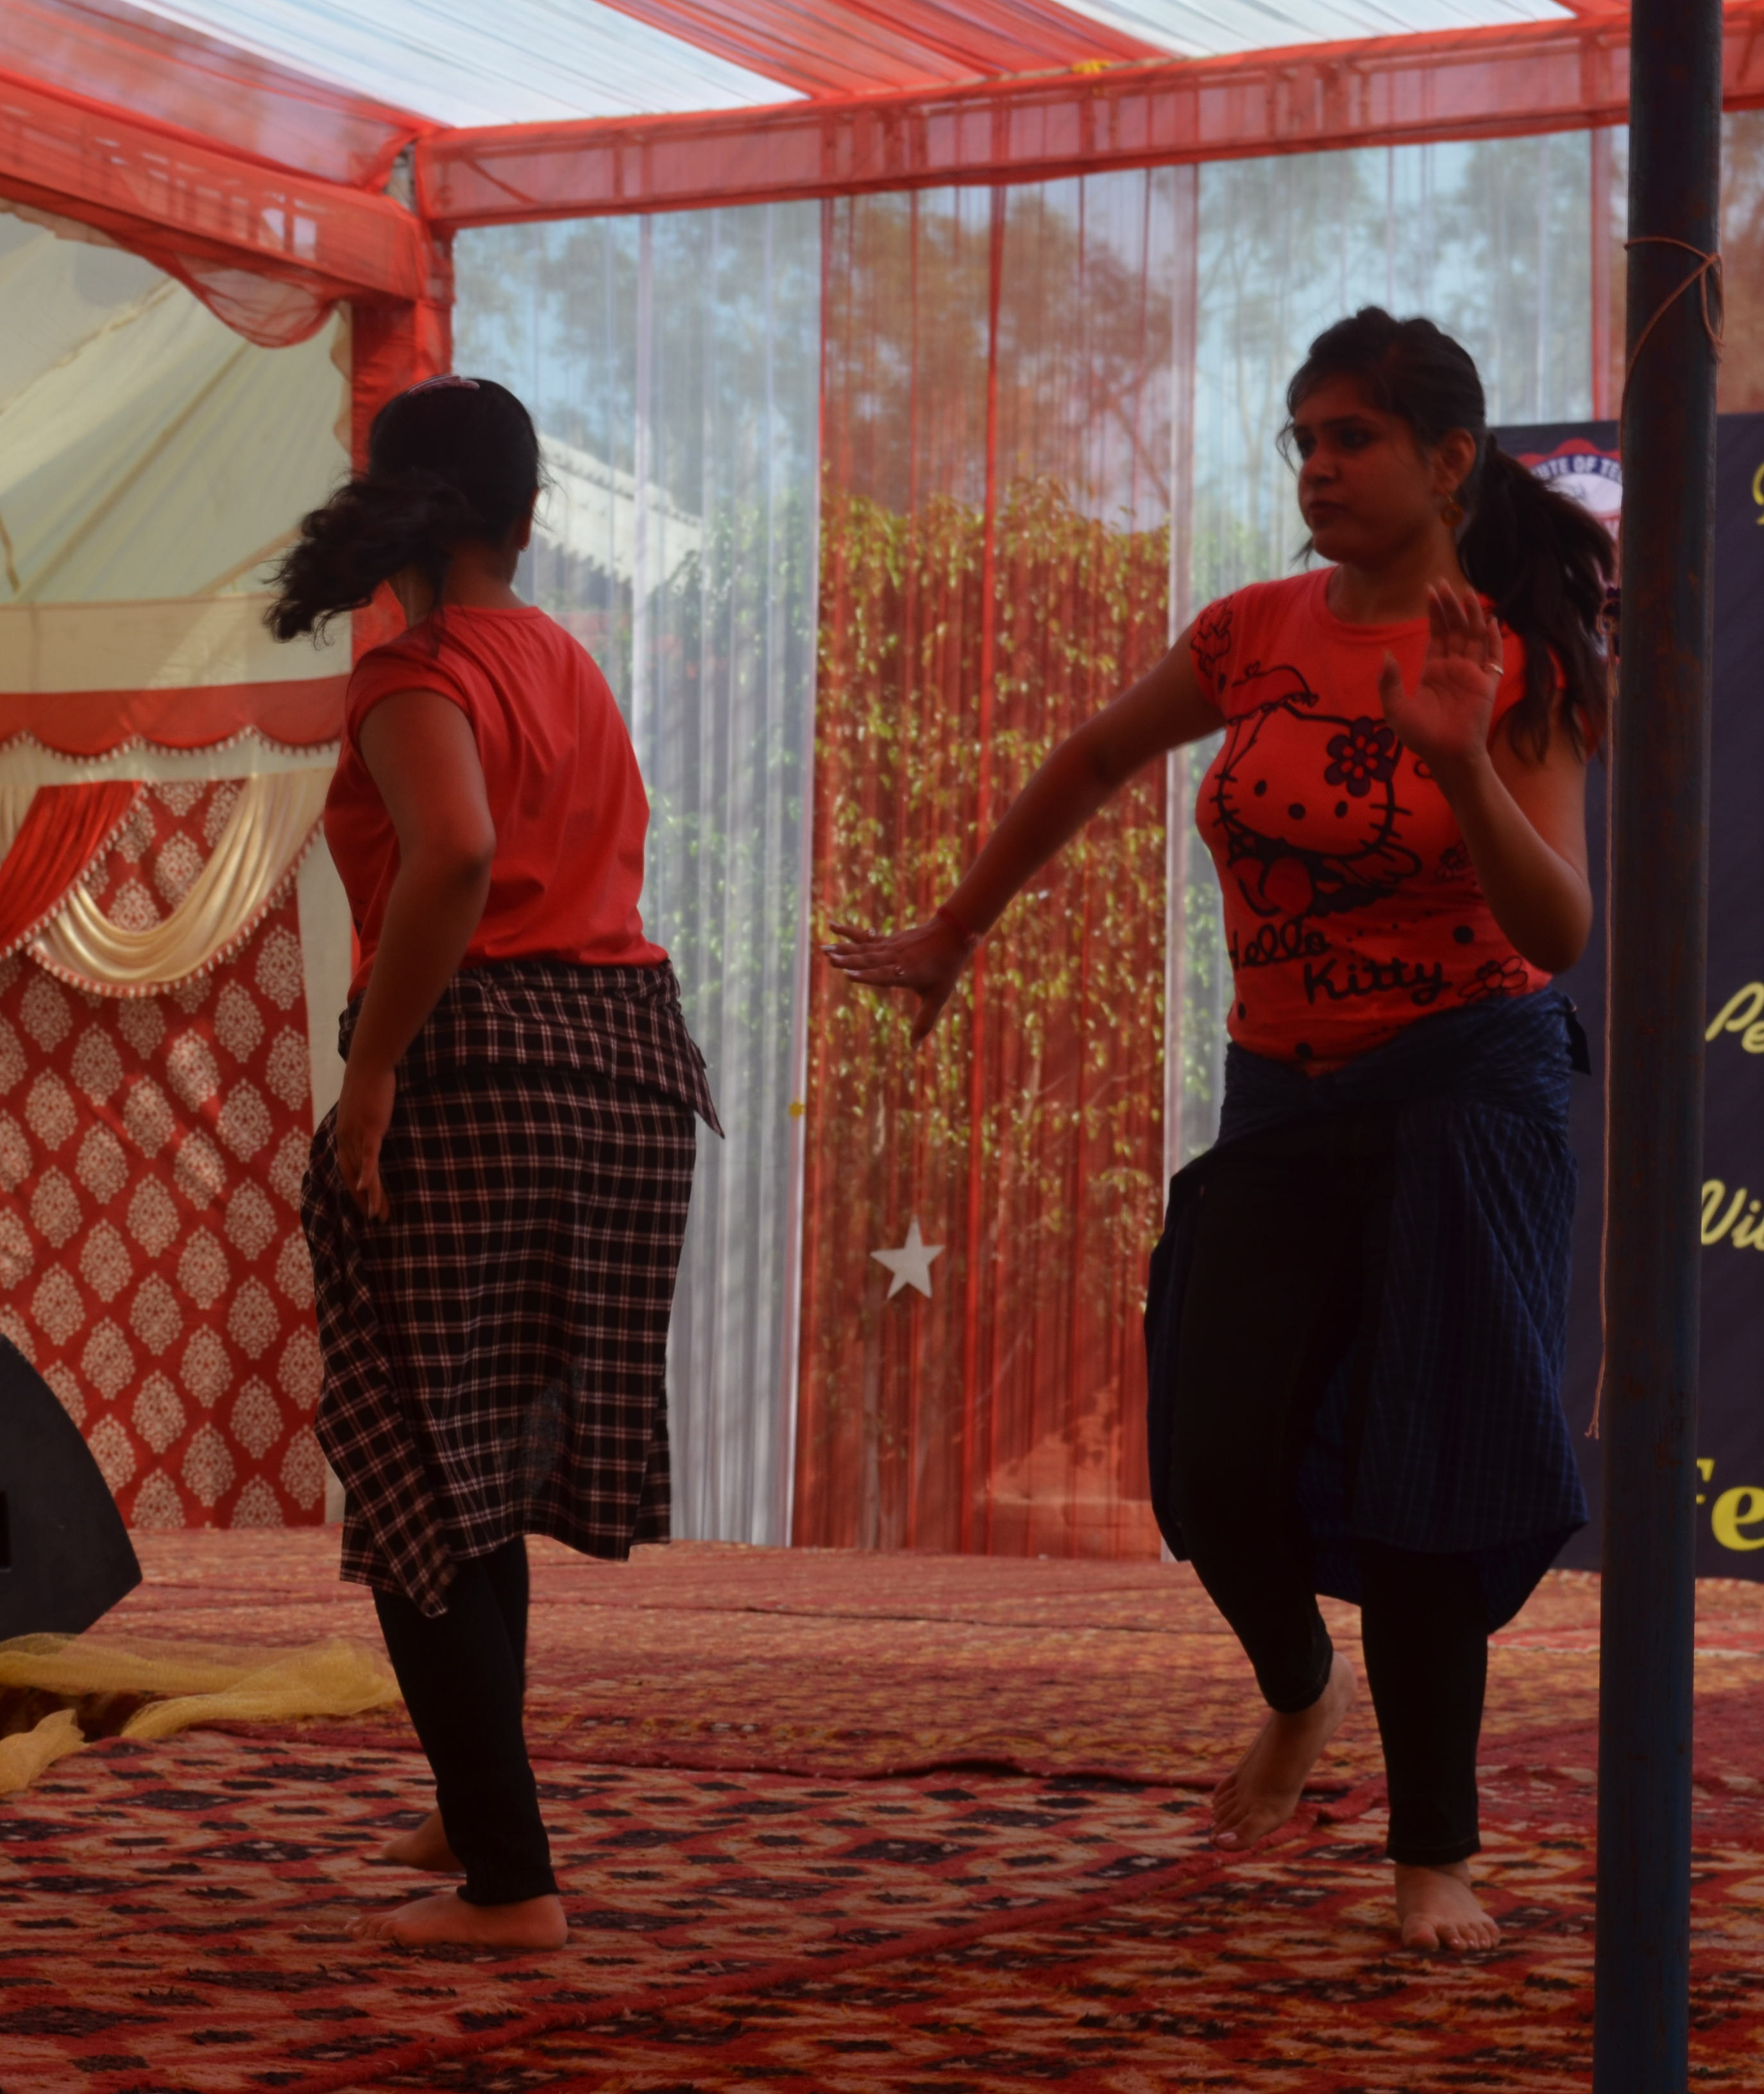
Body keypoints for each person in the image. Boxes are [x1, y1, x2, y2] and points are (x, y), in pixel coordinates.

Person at [829, 308, 1611, 1955]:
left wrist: (1463, 766)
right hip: (1285, 1091)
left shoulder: (1507, 657)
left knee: (1422, 1482)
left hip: (1464, 1088)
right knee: (1211, 1461)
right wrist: (958, 929)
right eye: (1301, 439)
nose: (1316, 467)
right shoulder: (1253, 631)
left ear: (1447, 461)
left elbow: (1556, 936)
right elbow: (1092, 757)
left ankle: (1432, 1857)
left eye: (1351, 438)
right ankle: (1299, 1685)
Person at [268, 375, 717, 1953]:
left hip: (484, 1068)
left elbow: (454, 855)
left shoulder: (417, 672)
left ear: (388, 506)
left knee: (417, 1468)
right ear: (529, 519)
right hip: (630, 1074)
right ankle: (477, 1807)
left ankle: (511, 1888)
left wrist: (374, 1069)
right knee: (483, 1470)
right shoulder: (569, 662)